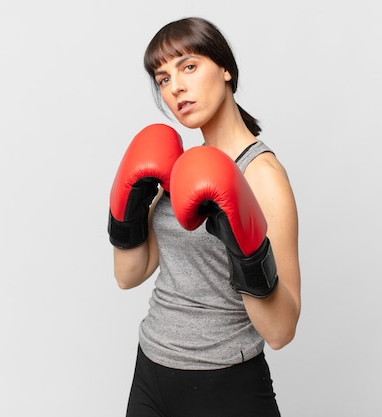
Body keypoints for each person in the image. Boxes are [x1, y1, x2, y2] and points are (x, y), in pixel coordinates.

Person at [108, 17, 301, 417]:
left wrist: (244, 247)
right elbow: (129, 274)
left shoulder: (261, 175)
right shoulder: (182, 166)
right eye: (162, 78)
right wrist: (131, 206)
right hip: (152, 368)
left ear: (226, 69)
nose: (175, 86)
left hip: (224, 384)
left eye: (188, 66)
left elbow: (281, 331)